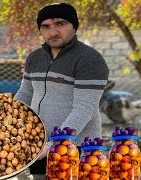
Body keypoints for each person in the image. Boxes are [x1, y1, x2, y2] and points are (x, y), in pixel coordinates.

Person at [14, 3, 109, 175]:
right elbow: (25, 95)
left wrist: (55, 144)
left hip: (78, 147)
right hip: (39, 144)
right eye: (46, 26)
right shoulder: (35, 58)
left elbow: (85, 108)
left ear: (74, 26)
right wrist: (7, 123)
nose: (53, 32)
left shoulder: (89, 59)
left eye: (60, 24)